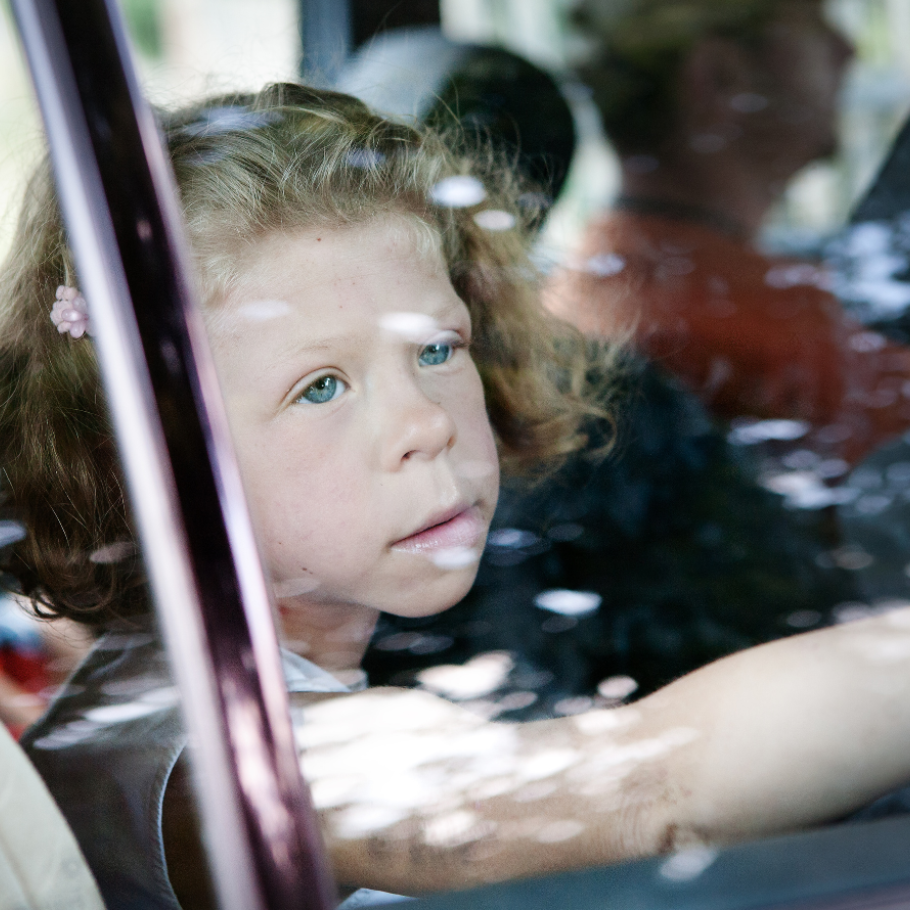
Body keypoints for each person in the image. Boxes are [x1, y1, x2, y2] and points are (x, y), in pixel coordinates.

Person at [4, 83, 910, 908]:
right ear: (147, 464)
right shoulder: (208, 761)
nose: (426, 422)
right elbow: (645, 799)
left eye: (438, 349)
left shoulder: (204, 689)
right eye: (320, 386)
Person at [546, 0, 910, 467]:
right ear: (719, 78)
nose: (849, 49)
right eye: (815, 24)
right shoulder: (768, 331)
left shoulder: (597, 278)